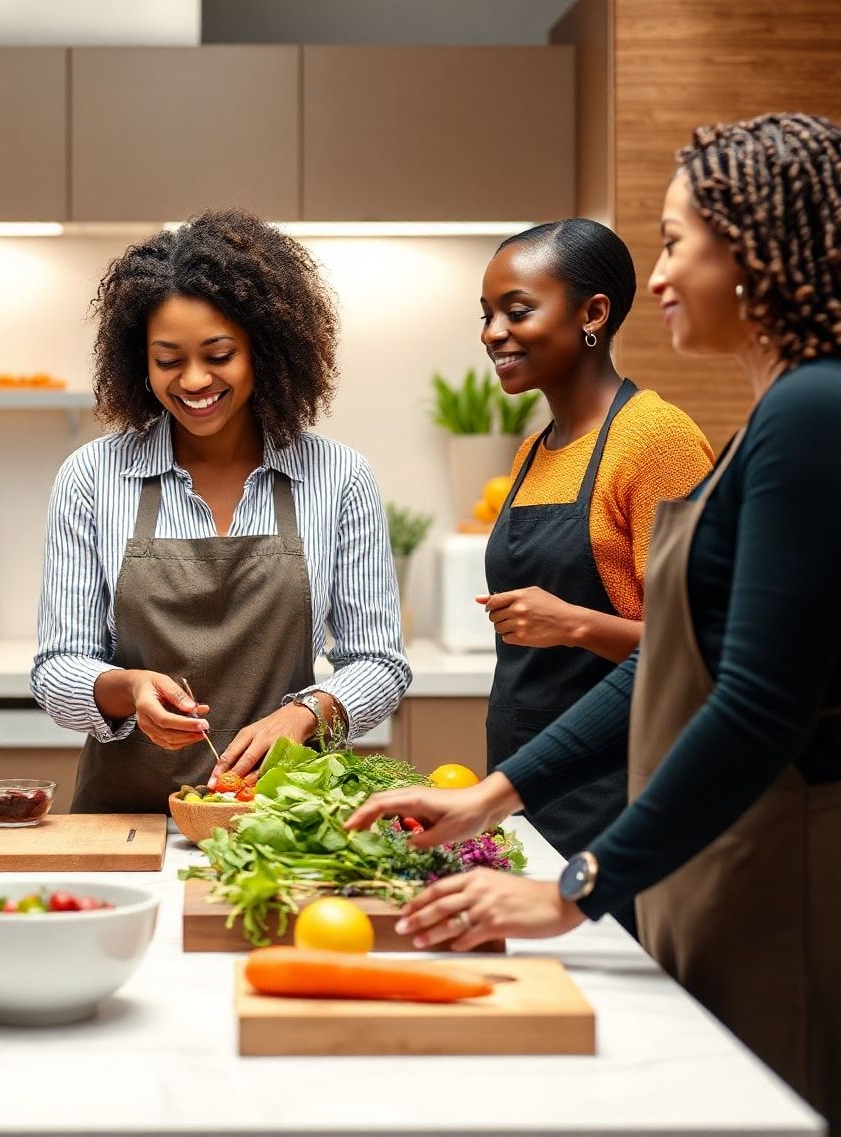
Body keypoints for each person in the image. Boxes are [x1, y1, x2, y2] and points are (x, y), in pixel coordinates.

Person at [346, 114, 841, 1128]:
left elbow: (752, 703)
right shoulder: (779, 415)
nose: (657, 274)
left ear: (748, 242)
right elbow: (672, 659)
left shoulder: (809, 412)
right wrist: (489, 797)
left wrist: (571, 887)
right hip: (708, 843)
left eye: (672, 239)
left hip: (777, 850)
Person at [31, 209, 410, 813]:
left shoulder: (338, 477)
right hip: (127, 826)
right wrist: (125, 689)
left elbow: (379, 663)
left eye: (219, 353)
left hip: (281, 820)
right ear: (140, 363)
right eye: (169, 359)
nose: (195, 379)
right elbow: (56, 669)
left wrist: (308, 713)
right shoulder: (93, 475)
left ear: (265, 351)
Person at [477, 219, 713, 921]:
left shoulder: (655, 439)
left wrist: (573, 624)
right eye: (486, 316)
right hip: (525, 773)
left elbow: (699, 650)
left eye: (517, 311)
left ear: (593, 313)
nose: (493, 332)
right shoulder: (533, 453)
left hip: (619, 787)